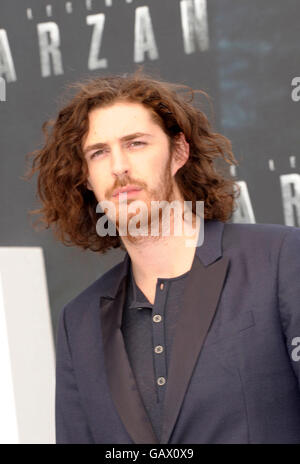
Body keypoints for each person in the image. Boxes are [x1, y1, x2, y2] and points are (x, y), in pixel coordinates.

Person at [25, 69, 300, 444]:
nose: (118, 166)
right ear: (87, 177)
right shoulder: (80, 320)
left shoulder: (281, 260)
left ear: (179, 152)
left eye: (135, 143)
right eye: (99, 152)